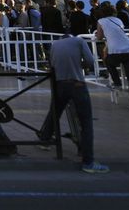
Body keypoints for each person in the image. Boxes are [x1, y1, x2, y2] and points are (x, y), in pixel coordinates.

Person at [36, 32, 109, 174]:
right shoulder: (79, 41)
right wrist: (81, 65)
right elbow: (90, 61)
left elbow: (52, 65)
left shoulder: (54, 45)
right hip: (77, 84)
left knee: (55, 111)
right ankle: (88, 161)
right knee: (86, 123)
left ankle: (45, 139)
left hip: (60, 85)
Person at [95, 4, 129, 110]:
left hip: (116, 51)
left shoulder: (101, 21)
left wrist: (98, 34)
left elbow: (100, 37)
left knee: (108, 61)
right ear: (114, 12)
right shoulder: (118, 20)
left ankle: (117, 83)